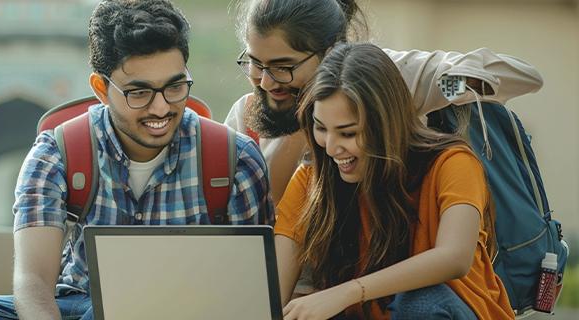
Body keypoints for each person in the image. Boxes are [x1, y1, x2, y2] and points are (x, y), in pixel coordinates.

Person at [0, 1, 275, 319]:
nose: (161, 107)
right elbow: (34, 281)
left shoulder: (232, 160)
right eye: (139, 92)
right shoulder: (56, 154)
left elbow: (249, 293)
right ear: (100, 87)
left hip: (178, 309)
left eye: (175, 87)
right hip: (70, 306)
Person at [274, 42, 513, 319]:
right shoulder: (311, 181)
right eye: (321, 128)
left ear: (386, 124)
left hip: (445, 312)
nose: (330, 147)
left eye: (348, 133)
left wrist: (347, 292)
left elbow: (454, 257)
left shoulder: (452, 162)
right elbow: (272, 292)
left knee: (420, 303)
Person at [225, 0, 543, 204]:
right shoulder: (245, 115)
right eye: (255, 64)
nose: (266, 81)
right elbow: (253, 215)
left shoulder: (386, 78)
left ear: (332, 50)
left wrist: (450, 86)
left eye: (284, 67)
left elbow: (525, 77)